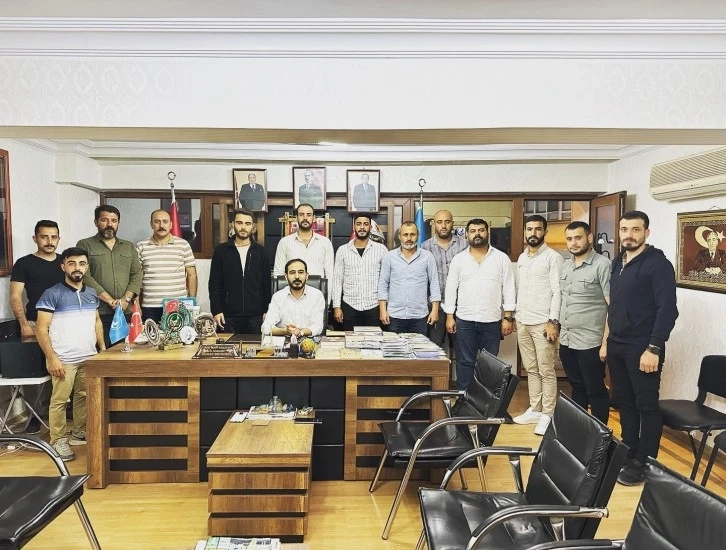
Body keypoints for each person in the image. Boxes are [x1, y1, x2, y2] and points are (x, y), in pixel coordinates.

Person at [608, 210, 678, 486]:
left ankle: (645, 462)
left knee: (646, 405)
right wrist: (607, 341)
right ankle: (628, 451)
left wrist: (654, 348)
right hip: (617, 344)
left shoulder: (658, 264)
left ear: (646, 233)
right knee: (624, 402)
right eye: (624, 230)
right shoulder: (619, 261)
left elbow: (667, 311)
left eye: (635, 230)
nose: (629, 235)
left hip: (643, 346)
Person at [35, 247, 105, 461]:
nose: (77, 268)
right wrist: (52, 358)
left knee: (83, 396)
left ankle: (79, 432)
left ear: (87, 267)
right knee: (59, 401)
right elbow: (41, 328)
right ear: (63, 266)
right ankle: (57, 441)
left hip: (88, 356)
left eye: (82, 263)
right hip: (63, 360)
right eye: (72, 263)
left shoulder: (91, 293)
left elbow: (96, 321)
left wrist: (102, 349)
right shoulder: (52, 294)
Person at [443, 218, 515, 390]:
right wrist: (450, 316)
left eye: (481, 230)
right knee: (465, 362)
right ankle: (464, 399)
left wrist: (508, 317)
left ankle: (486, 401)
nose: (477, 234)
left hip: (491, 321)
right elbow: (451, 288)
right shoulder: (459, 259)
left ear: (487, 233)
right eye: (473, 231)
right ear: (467, 235)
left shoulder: (501, 258)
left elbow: (509, 288)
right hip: (464, 320)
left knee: (489, 364)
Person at [9, 220, 65, 433]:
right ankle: (34, 414)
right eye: (44, 237)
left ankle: (59, 411)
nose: (49, 241)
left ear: (58, 238)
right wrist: (23, 324)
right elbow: (15, 296)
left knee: (61, 368)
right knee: (34, 372)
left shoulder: (65, 262)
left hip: (63, 324)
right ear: (35, 238)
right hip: (35, 323)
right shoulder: (24, 263)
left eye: (53, 237)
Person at [513, 214, 564, 436]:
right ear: (525, 231)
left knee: (546, 370)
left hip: (543, 323)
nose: (533, 233)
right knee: (531, 369)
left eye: (537, 229)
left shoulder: (553, 258)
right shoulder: (522, 258)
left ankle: (548, 414)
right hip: (523, 320)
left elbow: (558, 292)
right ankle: (535, 409)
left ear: (545, 232)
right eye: (529, 229)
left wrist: (553, 321)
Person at [558, 221, 611, 425]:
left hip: (591, 342)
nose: (573, 243)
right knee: (576, 387)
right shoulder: (566, 266)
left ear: (589, 238)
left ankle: (599, 435)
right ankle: (580, 432)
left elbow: (612, 308)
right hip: (567, 339)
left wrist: (605, 343)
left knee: (595, 390)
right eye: (569, 239)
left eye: (578, 238)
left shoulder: (602, 265)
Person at [77, 205, 142, 348]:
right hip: (99, 312)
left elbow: (136, 274)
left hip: (126, 311)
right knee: (104, 353)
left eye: (114, 220)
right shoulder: (85, 245)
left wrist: (126, 299)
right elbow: (85, 276)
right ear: (96, 222)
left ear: (118, 223)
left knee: (129, 352)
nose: (109, 224)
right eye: (104, 220)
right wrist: (110, 300)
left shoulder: (128, 246)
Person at [209, 209, 271, 334]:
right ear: (233, 224)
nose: (243, 227)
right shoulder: (221, 251)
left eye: (247, 224)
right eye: (239, 223)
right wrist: (216, 310)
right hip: (227, 315)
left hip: (256, 316)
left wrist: (267, 310)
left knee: (255, 347)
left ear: (253, 226)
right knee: (228, 347)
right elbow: (214, 283)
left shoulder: (261, 252)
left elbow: (266, 284)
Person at [378, 221, 440, 335]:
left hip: (420, 317)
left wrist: (435, 310)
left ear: (418, 235)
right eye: (405, 235)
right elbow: (383, 284)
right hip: (394, 316)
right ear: (399, 236)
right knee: (395, 347)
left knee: (420, 347)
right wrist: (382, 310)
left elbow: (434, 284)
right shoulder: (389, 257)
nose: (409, 238)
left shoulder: (427, 257)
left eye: (412, 234)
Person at [136, 209, 198, 323]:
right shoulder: (141, 246)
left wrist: (192, 301)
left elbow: (192, 275)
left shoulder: (183, 245)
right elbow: (135, 278)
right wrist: (136, 305)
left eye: (165, 221)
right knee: (151, 335)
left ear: (171, 224)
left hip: (178, 305)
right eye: (157, 222)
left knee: (179, 335)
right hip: (150, 306)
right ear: (151, 224)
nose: (161, 225)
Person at [421, 209, 468, 351]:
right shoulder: (425, 247)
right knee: (433, 349)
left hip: (460, 306)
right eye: (439, 222)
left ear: (452, 223)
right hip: (435, 306)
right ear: (433, 224)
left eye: (447, 222)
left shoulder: (465, 246)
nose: (443, 226)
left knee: (462, 350)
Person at [332, 214, 387, 330]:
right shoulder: (343, 250)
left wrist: (385, 307)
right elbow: (337, 280)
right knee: (350, 341)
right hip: (349, 306)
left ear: (370, 227)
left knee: (374, 340)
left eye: (365, 224)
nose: (362, 227)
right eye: (359, 224)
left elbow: (386, 280)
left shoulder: (381, 249)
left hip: (374, 307)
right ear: (354, 227)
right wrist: (336, 306)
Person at [262, 259, 326, 338]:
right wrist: (284, 331)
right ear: (286, 277)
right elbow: (266, 327)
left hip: (309, 341)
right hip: (284, 340)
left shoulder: (317, 295)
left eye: (301, 272)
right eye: (292, 273)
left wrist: (301, 332)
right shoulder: (278, 297)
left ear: (306, 276)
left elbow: (318, 326)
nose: (297, 277)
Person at [274, 203, 334, 279]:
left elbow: (330, 274)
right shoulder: (285, 242)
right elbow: (278, 273)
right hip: (292, 286)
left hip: (318, 287)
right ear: (296, 218)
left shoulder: (325, 243)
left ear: (314, 218)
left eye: (309, 215)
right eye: (301, 214)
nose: (305, 218)